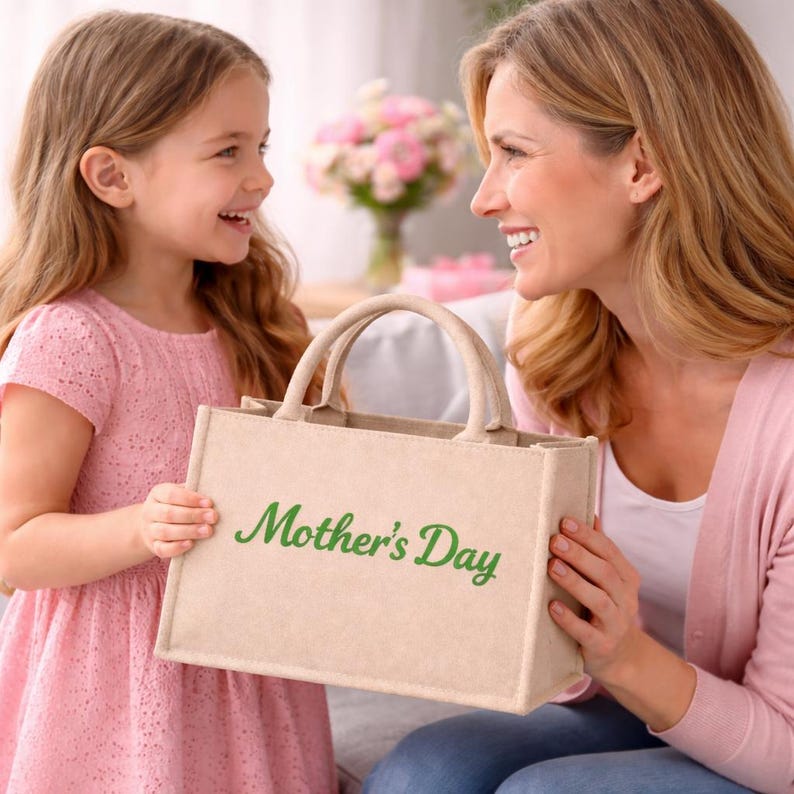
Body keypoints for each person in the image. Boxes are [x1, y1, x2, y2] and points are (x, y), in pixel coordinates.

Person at [364, 0, 794, 792]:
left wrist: (622, 653)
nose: (484, 199)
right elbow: (557, 656)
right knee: (427, 768)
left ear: (641, 164)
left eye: (514, 153)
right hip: (639, 699)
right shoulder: (553, 348)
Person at [0, 11, 337, 793]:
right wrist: (139, 529)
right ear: (112, 176)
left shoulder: (259, 321)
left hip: (253, 671)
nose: (261, 177)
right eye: (228, 151)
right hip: (113, 694)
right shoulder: (73, 340)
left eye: (261, 147)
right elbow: (14, 542)